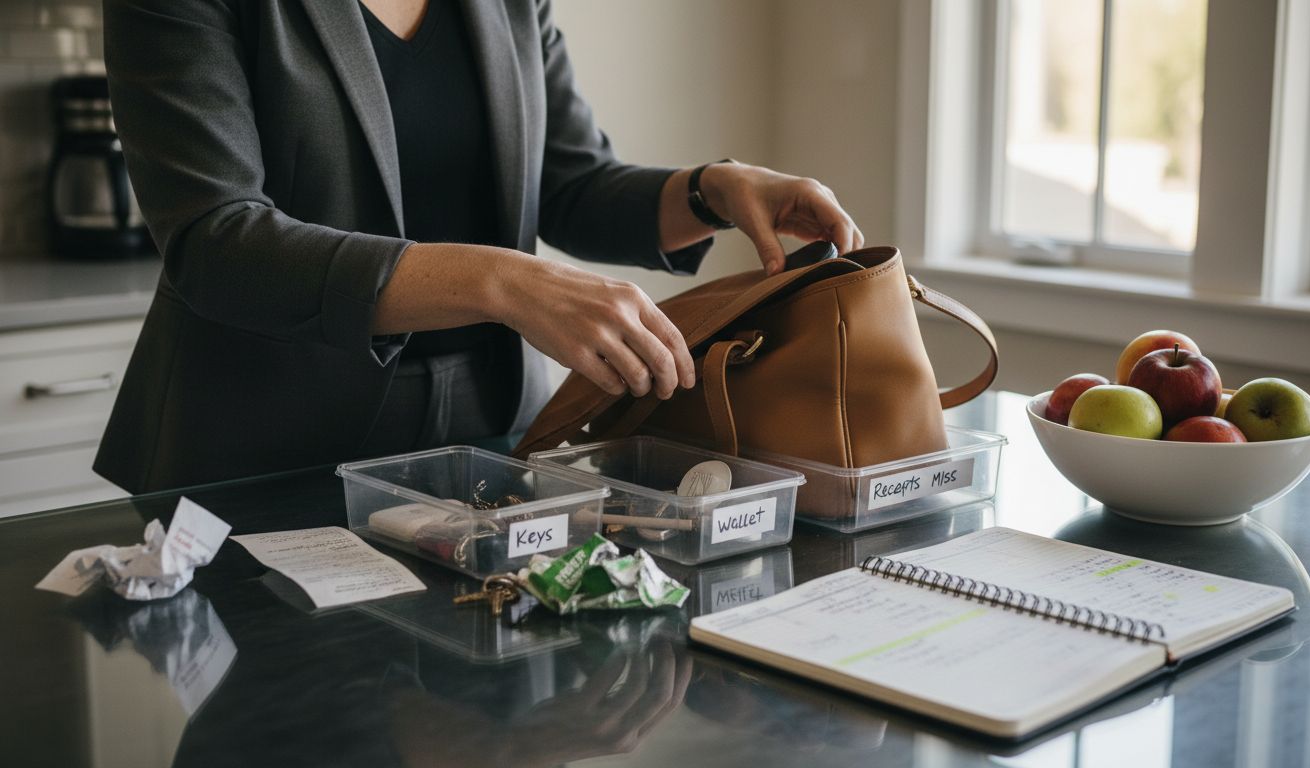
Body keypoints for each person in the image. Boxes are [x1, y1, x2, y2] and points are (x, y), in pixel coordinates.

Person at [94, 0, 863, 493]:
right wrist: (501, 281)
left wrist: (713, 190)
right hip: (262, 456)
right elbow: (216, 241)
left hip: (487, 447)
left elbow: (568, 183)